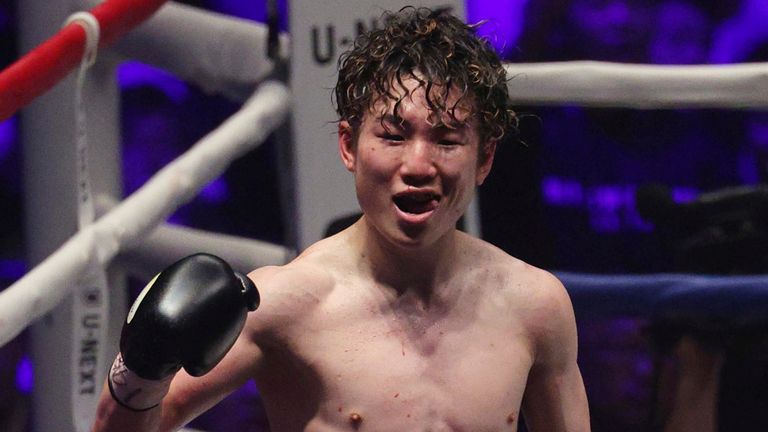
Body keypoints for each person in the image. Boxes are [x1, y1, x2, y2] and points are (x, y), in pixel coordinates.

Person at [91, 7, 590, 431]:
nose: (418, 166)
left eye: (447, 139)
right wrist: (140, 369)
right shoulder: (286, 304)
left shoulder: (534, 306)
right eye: (393, 136)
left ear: (484, 159)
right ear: (350, 146)